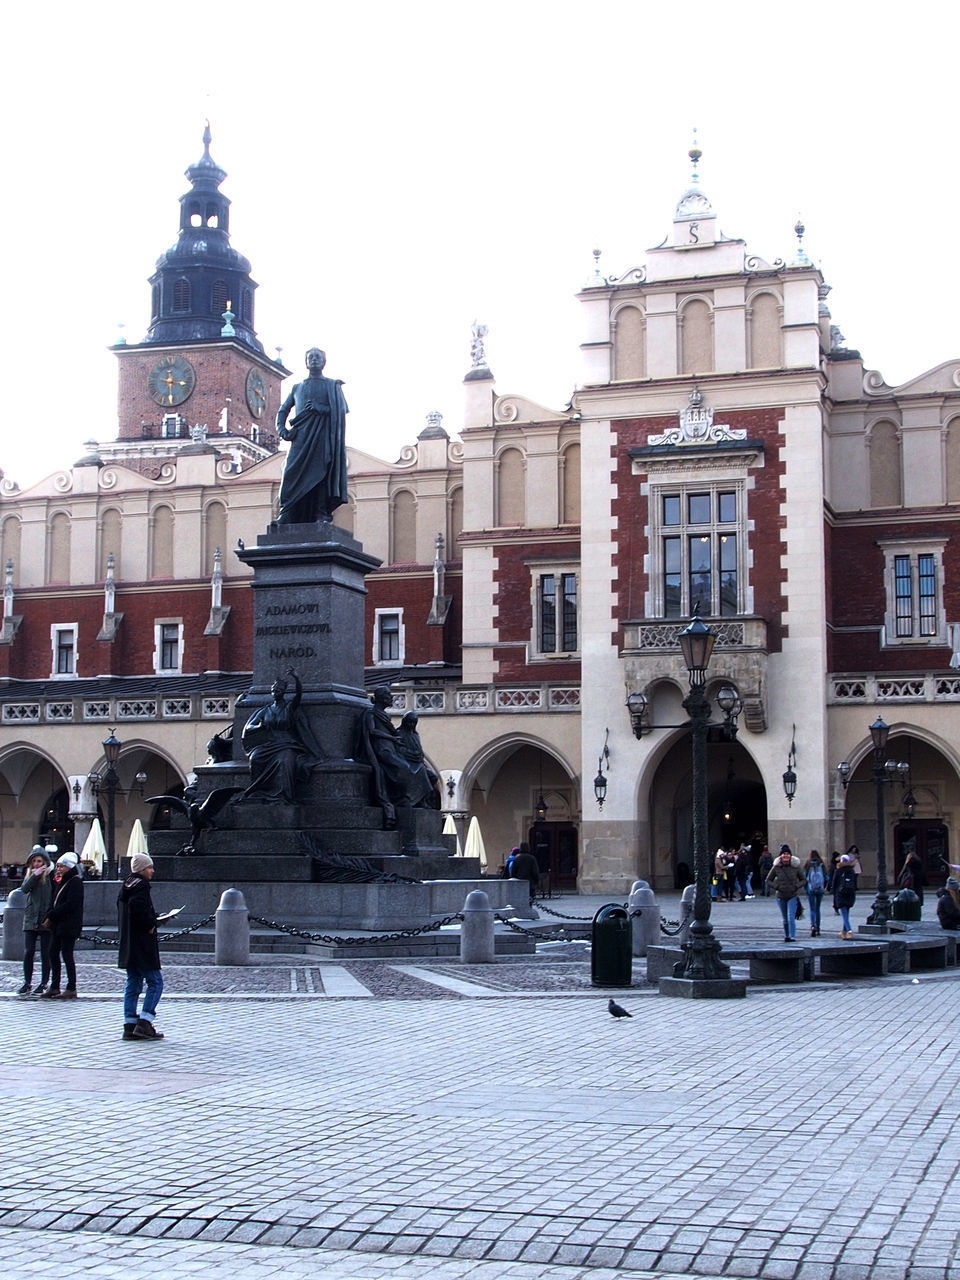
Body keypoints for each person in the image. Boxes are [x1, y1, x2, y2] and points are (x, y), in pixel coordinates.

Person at [275, 348, 349, 524]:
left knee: (321, 473)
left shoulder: (332, 386)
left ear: (324, 362)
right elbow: (283, 410)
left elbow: (341, 410)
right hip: (300, 438)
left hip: (322, 437)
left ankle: (321, 513)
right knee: (290, 473)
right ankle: (287, 512)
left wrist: (320, 408)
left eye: (318, 357)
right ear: (306, 362)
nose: (314, 360)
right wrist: (282, 430)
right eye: (311, 357)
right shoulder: (297, 387)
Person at [240, 669, 325, 804]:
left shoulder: (289, 707)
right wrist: (260, 726)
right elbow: (249, 727)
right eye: (273, 690)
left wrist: (296, 679)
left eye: (278, 690)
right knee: (256, 757)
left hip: (287, 743)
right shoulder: (265, 710)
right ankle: (258, 792)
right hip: (269, 744)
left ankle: (282, 795)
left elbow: (298, 696)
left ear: (283, 691)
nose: (275, 692)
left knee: (284, 760)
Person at [118, 852, 165, 1041]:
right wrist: (151, 923)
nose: (152, 871)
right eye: (149, 867)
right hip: (142, 944)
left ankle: (129, 1024)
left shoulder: (127, 885)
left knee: (133, 982)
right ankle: (145, 1022)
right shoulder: (141, 886)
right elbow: (138, 909)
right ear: (141, 869)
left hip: (129, 943)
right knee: (155, 982)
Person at [41, 853, 84, 999]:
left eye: (61, 866)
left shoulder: (75, 881)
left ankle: (71, 987)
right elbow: (54, 900)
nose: (58, 869)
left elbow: (70, 904)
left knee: (67, 955)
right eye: (58, 866)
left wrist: (52, 914)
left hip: (68, 925)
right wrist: (50, 913)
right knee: (52, 953)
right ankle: (55, 986)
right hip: (58, 925)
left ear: (69, 867)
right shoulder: (61, 881)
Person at [18, 845, 55, 996]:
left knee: (46, 953)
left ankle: (44, 982)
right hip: (31, 917)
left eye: (39, 861)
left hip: (45, 918)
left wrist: (50, 916)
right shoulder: (30, 876)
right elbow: (24, 889)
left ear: (44, 862)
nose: (36, 864)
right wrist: (34, 875)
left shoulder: (51, 876)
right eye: (34, 861)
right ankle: (27, 982)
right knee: (29, 952)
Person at [765, 844, 805, 942]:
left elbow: (803, 880)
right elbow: (768, 880)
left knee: (791, 917)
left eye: (787, 854)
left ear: (790, 856)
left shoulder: (795, 867)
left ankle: (792, 936)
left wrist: (796, 886)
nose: (786, 856)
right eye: (784, 854)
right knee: (785, 918)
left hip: (792, 895)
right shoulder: (776, 867)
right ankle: (787, 935)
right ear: (781, 856)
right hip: (781, 895)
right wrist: (777, 887)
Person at [834, 852, 858, 939]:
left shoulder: (838, 871)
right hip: (850, 894)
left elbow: (835, 883)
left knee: (844, 914)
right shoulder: (852, 870)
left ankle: (849, 930)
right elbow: (855, 884)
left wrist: (834, 894)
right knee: (846, 913)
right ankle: (843, 932)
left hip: (841, 894)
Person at [804, 850, 827, 937]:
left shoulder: (808, 864)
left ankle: (813, 925)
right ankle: (818, 928)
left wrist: (806, 888)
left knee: (812, 908)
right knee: (818, 908)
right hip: (820, 889)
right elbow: (827, 877)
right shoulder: (821, 864)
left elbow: (804, 877)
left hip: (811, 889)